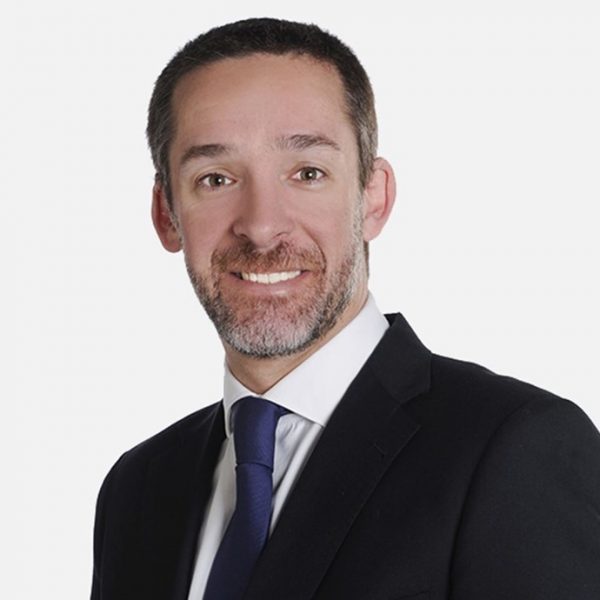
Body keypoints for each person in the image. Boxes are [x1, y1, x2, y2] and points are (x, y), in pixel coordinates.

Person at [91, 18, 600, 600]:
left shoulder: (512, 449)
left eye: (308, 173)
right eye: (216, 178)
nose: (262, 226)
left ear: (373, 197)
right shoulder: (138, 489)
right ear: (166, 214)